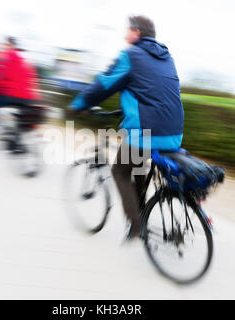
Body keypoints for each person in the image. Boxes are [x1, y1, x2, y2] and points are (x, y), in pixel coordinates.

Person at [68, 16, 184, 241]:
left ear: (137, 33)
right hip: (173, 133)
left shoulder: (130, 55)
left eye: (127, 30)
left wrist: (80, 105)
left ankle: (136, 224)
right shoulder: (166, 57)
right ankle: (143, 212)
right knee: (138, 168)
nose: (124, 35)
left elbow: (104, 84)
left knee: (120, 171)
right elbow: (153, 93)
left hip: (145, 133)